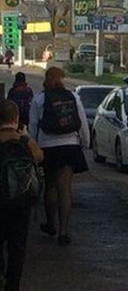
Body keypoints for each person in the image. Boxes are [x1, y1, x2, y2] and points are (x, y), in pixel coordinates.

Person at [28, 67, 90, 246]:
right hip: (70, 146)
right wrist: (85, 143)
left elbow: (33, 127)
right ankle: (64, 231)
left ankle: (50, 223)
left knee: (51, 186)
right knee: (65, 188)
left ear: (47, 79)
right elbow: (82, 123)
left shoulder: (39, 99)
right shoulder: (73, 97)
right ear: (62, 79)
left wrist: (34, 148)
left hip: (48, 148)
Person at [0, 99, 44, 291]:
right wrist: (26, 136)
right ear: (16, 118)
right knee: (17, 249)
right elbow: (40, 156)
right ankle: (13, 285)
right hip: (20, 202)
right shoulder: (22, 142)